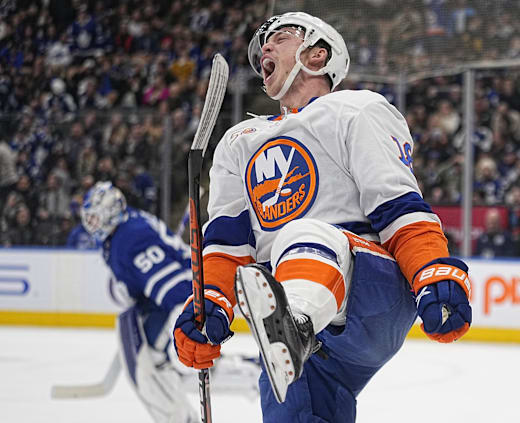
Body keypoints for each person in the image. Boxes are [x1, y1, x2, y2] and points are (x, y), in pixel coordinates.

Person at [172, 12, 473, 422]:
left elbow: (398, 208)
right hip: (294, 324)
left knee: (303, 235)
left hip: (370, 295)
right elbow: (227, 246)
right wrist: (210, 305)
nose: (265, 47)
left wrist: (433, 271)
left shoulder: (356, 109)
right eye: (263, 43)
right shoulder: (238, 142)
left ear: (317, 55)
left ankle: (294, 323)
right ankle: (292, 328)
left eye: (279, 37)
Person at [80, 181, 259, 423]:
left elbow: (172, 286)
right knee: (166, 365)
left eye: (96, 218)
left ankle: (251, 374)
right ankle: (245, 375)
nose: (92, 225)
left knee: (180, 362)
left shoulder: (128, 238)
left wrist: (187, 320)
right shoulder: (125, 229)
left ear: (111, 212)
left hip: (185, 296)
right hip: (180, 294)